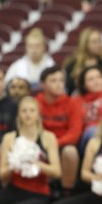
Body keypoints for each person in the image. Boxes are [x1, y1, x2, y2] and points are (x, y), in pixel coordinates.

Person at [0, 97, 61, 204]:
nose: (28, 114)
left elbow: (57, 172)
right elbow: (2, 173)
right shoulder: (9, 137)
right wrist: (16, 163)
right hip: (14, 189)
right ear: (18, 115)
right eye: (24, 111)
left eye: (32, 110)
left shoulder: (48, 137)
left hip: (38, 193)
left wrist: (36, 163)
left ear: (38, 114)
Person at [36, 66, 83, 195]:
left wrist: (55, 144)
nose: (59, 84)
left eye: (61, 80)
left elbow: (75, 133)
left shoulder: (72, 103)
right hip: (41, 144)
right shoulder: (36, 103)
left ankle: (66, 191)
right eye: (53, 81)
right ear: (43, 85)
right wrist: (46, 144)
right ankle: (39, 189)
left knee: (70, 152)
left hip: (62, 144)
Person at [64, 27, 102, 95]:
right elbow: (69, 89)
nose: (98, 45)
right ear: (85, 44)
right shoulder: (72, 64)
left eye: (100, 41)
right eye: (94, 42)